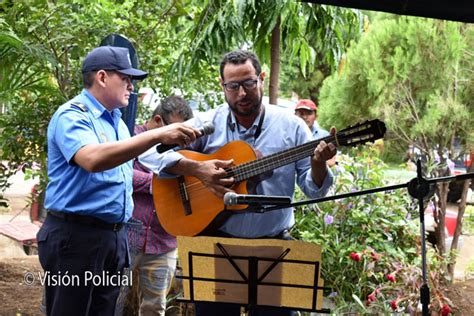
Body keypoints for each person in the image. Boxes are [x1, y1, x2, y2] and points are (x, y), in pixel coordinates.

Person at [140, 50, 336, 316]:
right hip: (214, 243)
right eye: (233, 86)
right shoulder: (208, 122)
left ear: (262, 79)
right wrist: (197, 169)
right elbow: (148, 152)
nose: (241, 93)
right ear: (222, 85)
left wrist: (318, 164)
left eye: (248, 83)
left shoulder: (293, 127)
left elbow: (314, 190)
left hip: (274, 246)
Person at [37, 45, 200, 316]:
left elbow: (151, 160)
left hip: (112, 238)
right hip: (76, 238)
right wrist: (158, 135)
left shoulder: (117, 122)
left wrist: (200, 169)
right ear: (102, 77)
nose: (131, 86)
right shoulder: (73, 115)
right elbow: (92, 159)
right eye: (125, 78)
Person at [127, 96, 194, 315]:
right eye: (176, 130)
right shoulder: (129, 136)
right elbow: (122, 174)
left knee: (155, 306)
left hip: (164, 239)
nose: (180, 138)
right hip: (127, 235)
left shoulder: (181, 146)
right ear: (157, 120)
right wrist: (157, 185)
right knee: (110, 297)